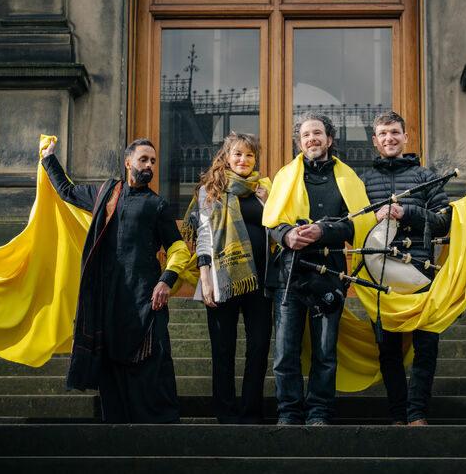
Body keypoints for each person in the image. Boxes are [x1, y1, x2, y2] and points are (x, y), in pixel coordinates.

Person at [41, 138, 190, 424]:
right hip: (108, 298)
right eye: (144, 159)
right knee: (110, 363)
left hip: (145, 299)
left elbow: (178, 248)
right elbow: (68, 192)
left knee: (152, 363)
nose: (149, 166)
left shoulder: (156, 205)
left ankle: (160, 429)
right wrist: (49, 160)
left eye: (153, 162)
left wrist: (166, 281)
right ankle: (117, 427)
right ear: (128, 162)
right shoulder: (105, 194)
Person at [263, 111, 370, 426]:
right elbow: (271, 222)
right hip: (289, 276)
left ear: (329, 139)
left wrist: (324, 231)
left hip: (330, 276)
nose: (312, 139)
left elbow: (358, 225)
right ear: (300, 141)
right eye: (306, 135)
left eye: (317, 134)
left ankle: (319, 412)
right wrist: (287, 234)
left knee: (325, 353)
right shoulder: (285, 175)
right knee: (285, 353)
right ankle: (288, 413)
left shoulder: (349, 178)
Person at [360, 111, 451, 426]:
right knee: (388, 350)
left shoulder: (427, 176)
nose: (389, 138)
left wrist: (406, 211)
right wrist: (371, 219)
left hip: (421, 272)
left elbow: (444, 221)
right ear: (375, 141)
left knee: (426, 346)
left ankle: (417, 414)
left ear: (405, 137)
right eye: (383, 134)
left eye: (395, 132)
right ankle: (398, 414)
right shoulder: (364, 182)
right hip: (380, 274)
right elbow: (353, 225)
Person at [184, 132, 272, 424]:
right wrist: (205, 278)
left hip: (260, 280)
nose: (243, 160)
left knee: (259, 346)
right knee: (223, 348)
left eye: (249, 155)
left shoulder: (264, 190)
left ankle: (250, 412)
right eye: (237, 154)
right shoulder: (212, 190)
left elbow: (277, 231)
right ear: (226, 157)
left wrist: (268, 203)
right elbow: (205, 235)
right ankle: (225, 412)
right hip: (223, 279)